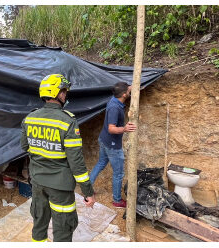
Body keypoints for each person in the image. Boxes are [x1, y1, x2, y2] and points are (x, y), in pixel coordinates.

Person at [20, 74, 95, 242]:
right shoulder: (67, 121)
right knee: (63, 229)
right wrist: (88, 191)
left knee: (39, 224)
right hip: (60, 187)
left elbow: (25, 146)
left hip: (38, 182)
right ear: (59, 94)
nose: (65, 95)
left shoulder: (30, 118)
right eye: (64, 92)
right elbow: (76, 163)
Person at [89, 82, 137, 208]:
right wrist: (125, 128)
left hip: (104, 140)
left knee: (100, 163)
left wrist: (134, 85)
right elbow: (111, 129)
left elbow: (126, 89)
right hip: (112, 144)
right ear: (124, 94)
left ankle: (87, 189)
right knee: (118, 173)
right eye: (128, 90)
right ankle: (117, 200)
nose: (129, 91)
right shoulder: (115, 108)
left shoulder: (114, 99)